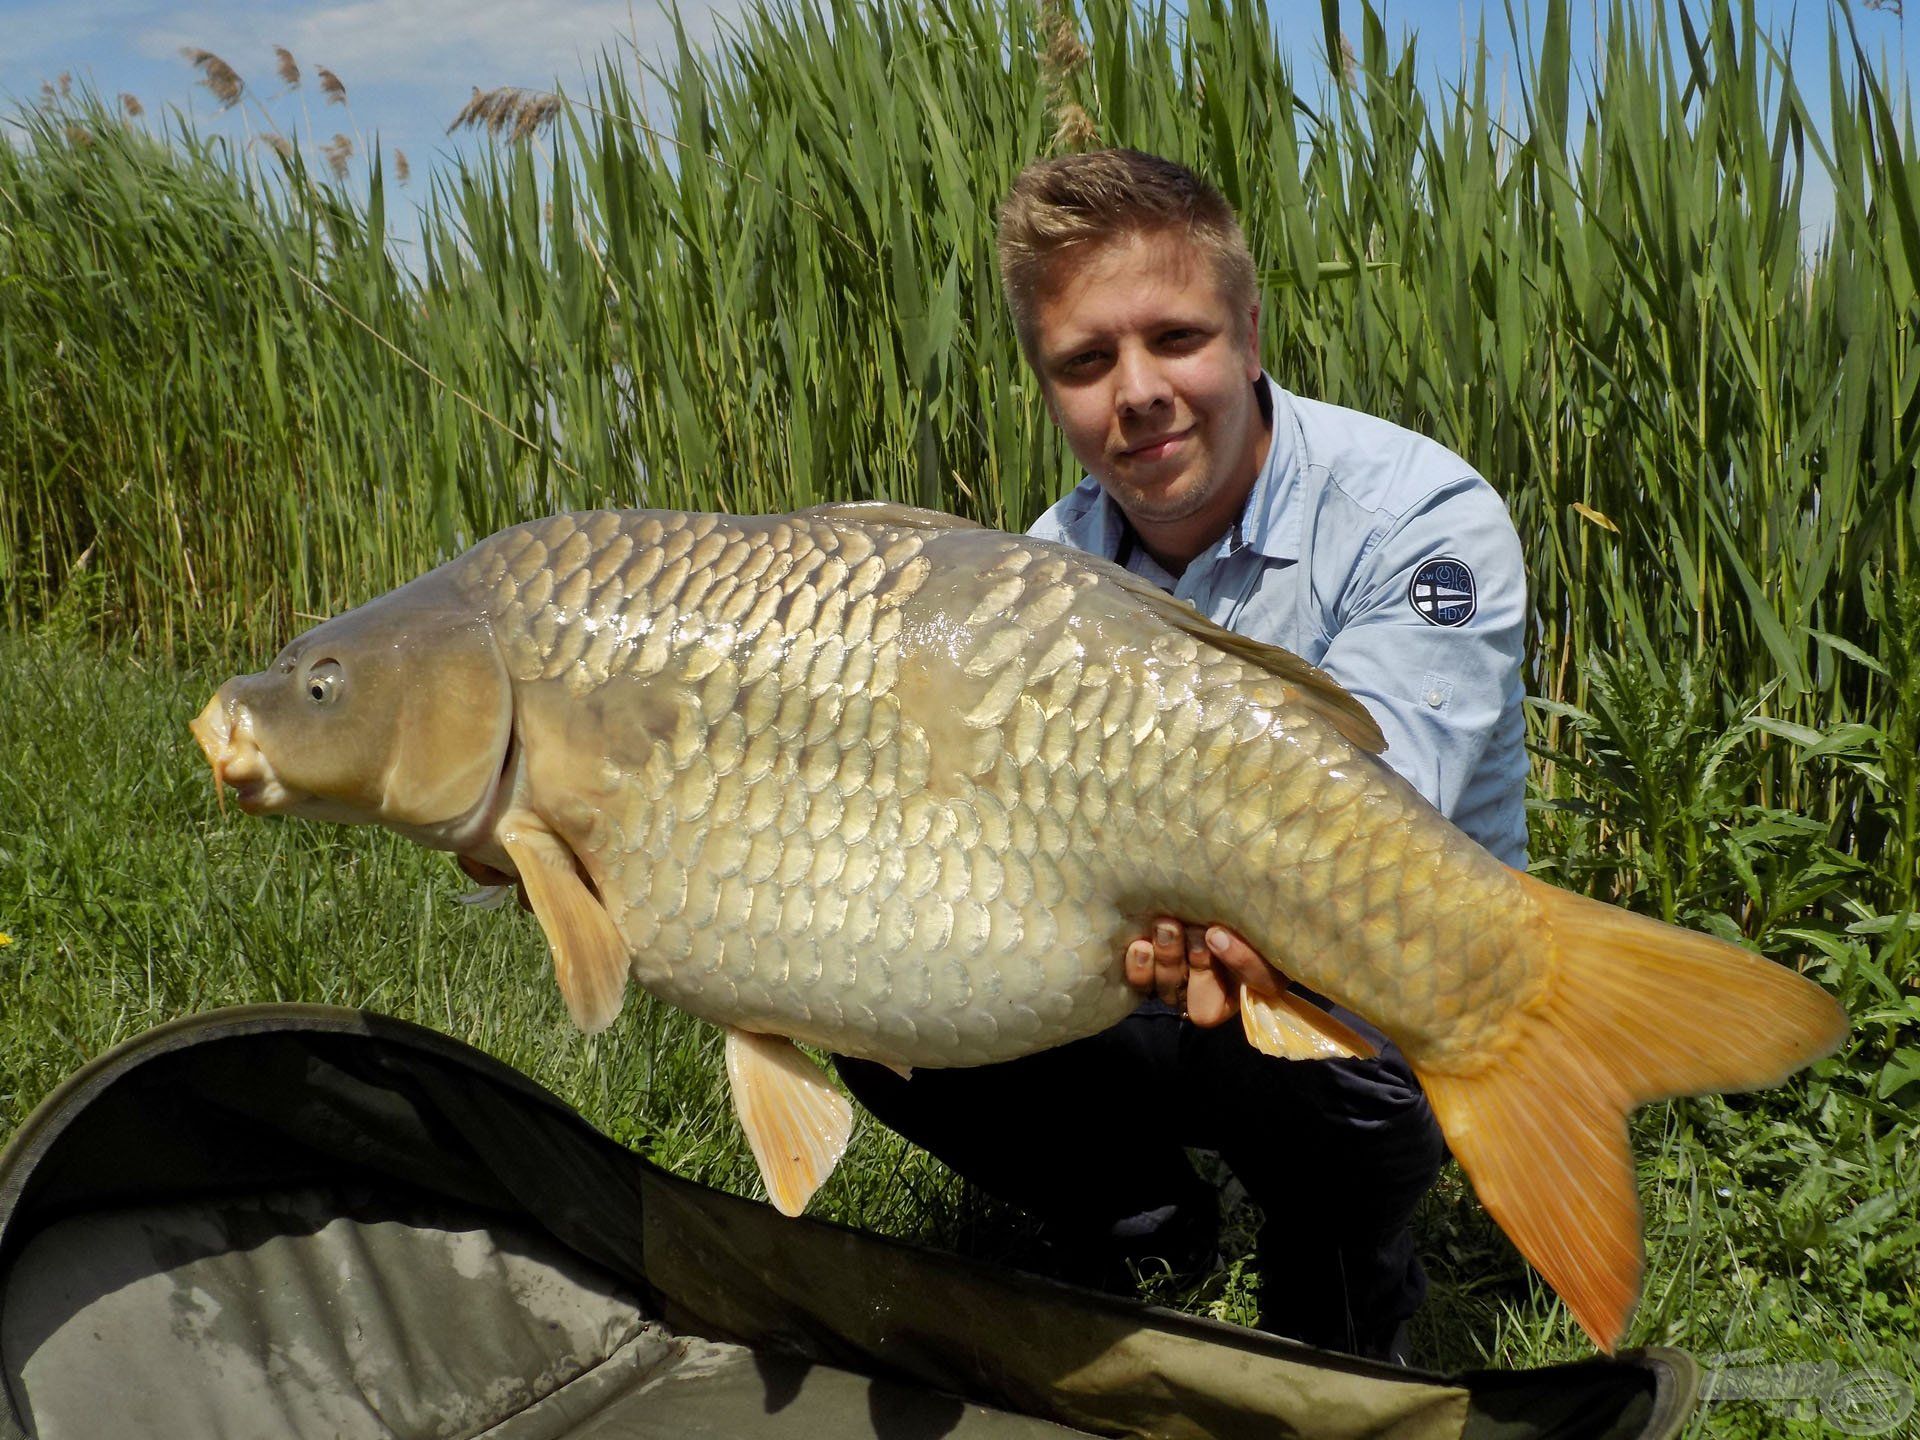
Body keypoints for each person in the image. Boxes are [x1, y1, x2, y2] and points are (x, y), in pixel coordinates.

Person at [836, 148, 1529, 1364]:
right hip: (1136, 955)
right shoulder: (1044, 568)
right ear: (1046, 386)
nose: (1138, 391)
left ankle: (1342, 1277)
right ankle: (1144, 1222)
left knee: (1296, 1003)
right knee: (869, 993)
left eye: (1176, 338)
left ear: (1251, 331)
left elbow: (1363, 837)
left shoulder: (1420, 517)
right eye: (1086, 362)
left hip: (1386, 978)